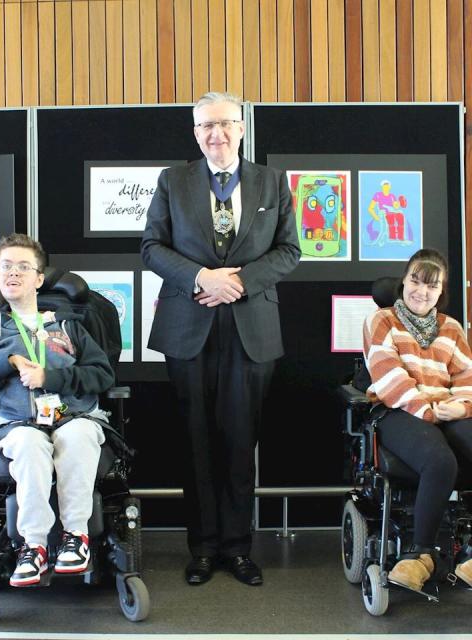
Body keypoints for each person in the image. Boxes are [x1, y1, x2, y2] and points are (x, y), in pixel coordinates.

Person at [141, 92, 301, 586]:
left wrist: (239, 282)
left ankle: (238, 548)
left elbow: (289, 251)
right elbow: (151, 247)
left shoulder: (272, 182)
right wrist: (201, 278)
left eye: (225, 124)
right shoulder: (173, 181)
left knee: (239, 440)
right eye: (206, 126)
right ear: (195, 133)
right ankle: (203, 549)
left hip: (251, 329)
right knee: (195, 442)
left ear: (242, 127)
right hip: (188, 328)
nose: (217, 134)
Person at [0, 233, 114, 586]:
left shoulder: (69, 324)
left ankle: (77, 537)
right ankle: (35, 546)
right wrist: (5, 362)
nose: (13, 273)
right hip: (18, 422)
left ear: (39, 278)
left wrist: (50, 376)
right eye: (6, 266)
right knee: (29, 445)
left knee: (77, 436)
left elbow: (103, 374)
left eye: (22, 267)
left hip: (73, 415)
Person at [363, 248, 472, 592]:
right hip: (398, 410)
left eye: (431, 285)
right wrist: (429, 413)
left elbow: (468, 379)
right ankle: (420, 556)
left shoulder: (452, 328)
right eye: (415, 280)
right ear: (403, 282)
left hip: (446, 410)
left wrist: (461, 407)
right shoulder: (381, 320)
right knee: (440, 461)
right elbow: (389, 378)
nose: (421, 291)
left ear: (441, 292)